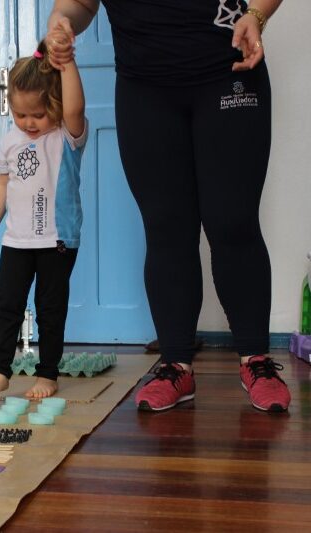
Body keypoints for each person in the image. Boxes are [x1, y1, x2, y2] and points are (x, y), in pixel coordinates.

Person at [45, 0, 290, 412]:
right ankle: (176, 364)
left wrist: (257, 15)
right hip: (144, 88)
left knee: (232, 221)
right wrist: (62, 20)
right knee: (166, 228)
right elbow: (79, 5)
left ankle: (256, 361)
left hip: (229, 71)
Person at [0, 28, 88, 403]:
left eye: (38, 114)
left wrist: (66, 62)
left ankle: (48, 373)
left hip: (57, 239)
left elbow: (75, 108)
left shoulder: (67, 136)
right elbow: (2, 185)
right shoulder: (10, 141)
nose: (28, 122)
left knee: (49, 308)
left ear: (55, 104)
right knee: (6, 304)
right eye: (20, 114)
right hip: (16, 240)